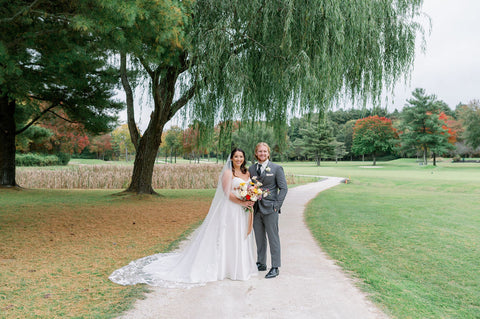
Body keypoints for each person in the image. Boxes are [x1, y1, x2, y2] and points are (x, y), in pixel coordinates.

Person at [109, 148, 257, 287]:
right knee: (225, 236)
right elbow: (227, 193)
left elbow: (249, 189)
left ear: (244, 158)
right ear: (231, 158)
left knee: (237, 236)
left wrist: (250, 198)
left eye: (241, 156)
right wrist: (241, 202)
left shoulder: (247, 173)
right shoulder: (227, 173)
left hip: (241, 211)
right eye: (236, 156)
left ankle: (236, 268)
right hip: (230, 209)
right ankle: (222, 268)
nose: (239, 159)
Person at [248, 142, 288, 279]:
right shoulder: (251, 169)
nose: (262, 154)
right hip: (256, 208)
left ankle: (275, 267)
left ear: (268, 153)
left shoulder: (276, 168)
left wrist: (277, 205)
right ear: (256, 153)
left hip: (271, 209)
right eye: (260, 151)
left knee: (273, 238)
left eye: (265, 151)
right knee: (259, 238)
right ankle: (261, 263)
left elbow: (283, 188)